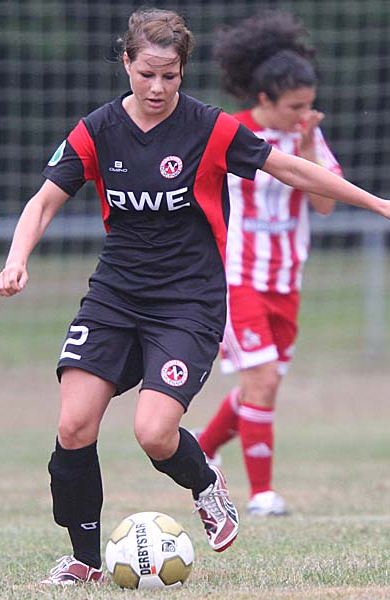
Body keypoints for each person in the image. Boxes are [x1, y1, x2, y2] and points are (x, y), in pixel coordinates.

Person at [0, 7, 390, 587]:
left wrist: (379, 204)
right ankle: (84, 561)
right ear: (126, 63)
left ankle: (206, 483)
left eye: (170, 76)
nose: (157, 88)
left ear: (184, 71)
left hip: (188, 302)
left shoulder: (210, 128)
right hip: (114, 297)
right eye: (146, 73)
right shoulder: (98, 129)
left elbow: (291, 171)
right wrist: (16, 259)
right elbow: (44, 200)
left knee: (154, 433)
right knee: (74, 425)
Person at [195, 10, 342, 518]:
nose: (304, 114)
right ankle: (262, 496)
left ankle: (202, 448)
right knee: (261, 381)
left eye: (309, 105)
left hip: (286, 283)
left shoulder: (307, 138)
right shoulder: (230, 133)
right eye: (294, 107)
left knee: (264, 383)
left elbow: (325, 203)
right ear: (264, 100)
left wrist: (308, 148)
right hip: (237, 279)